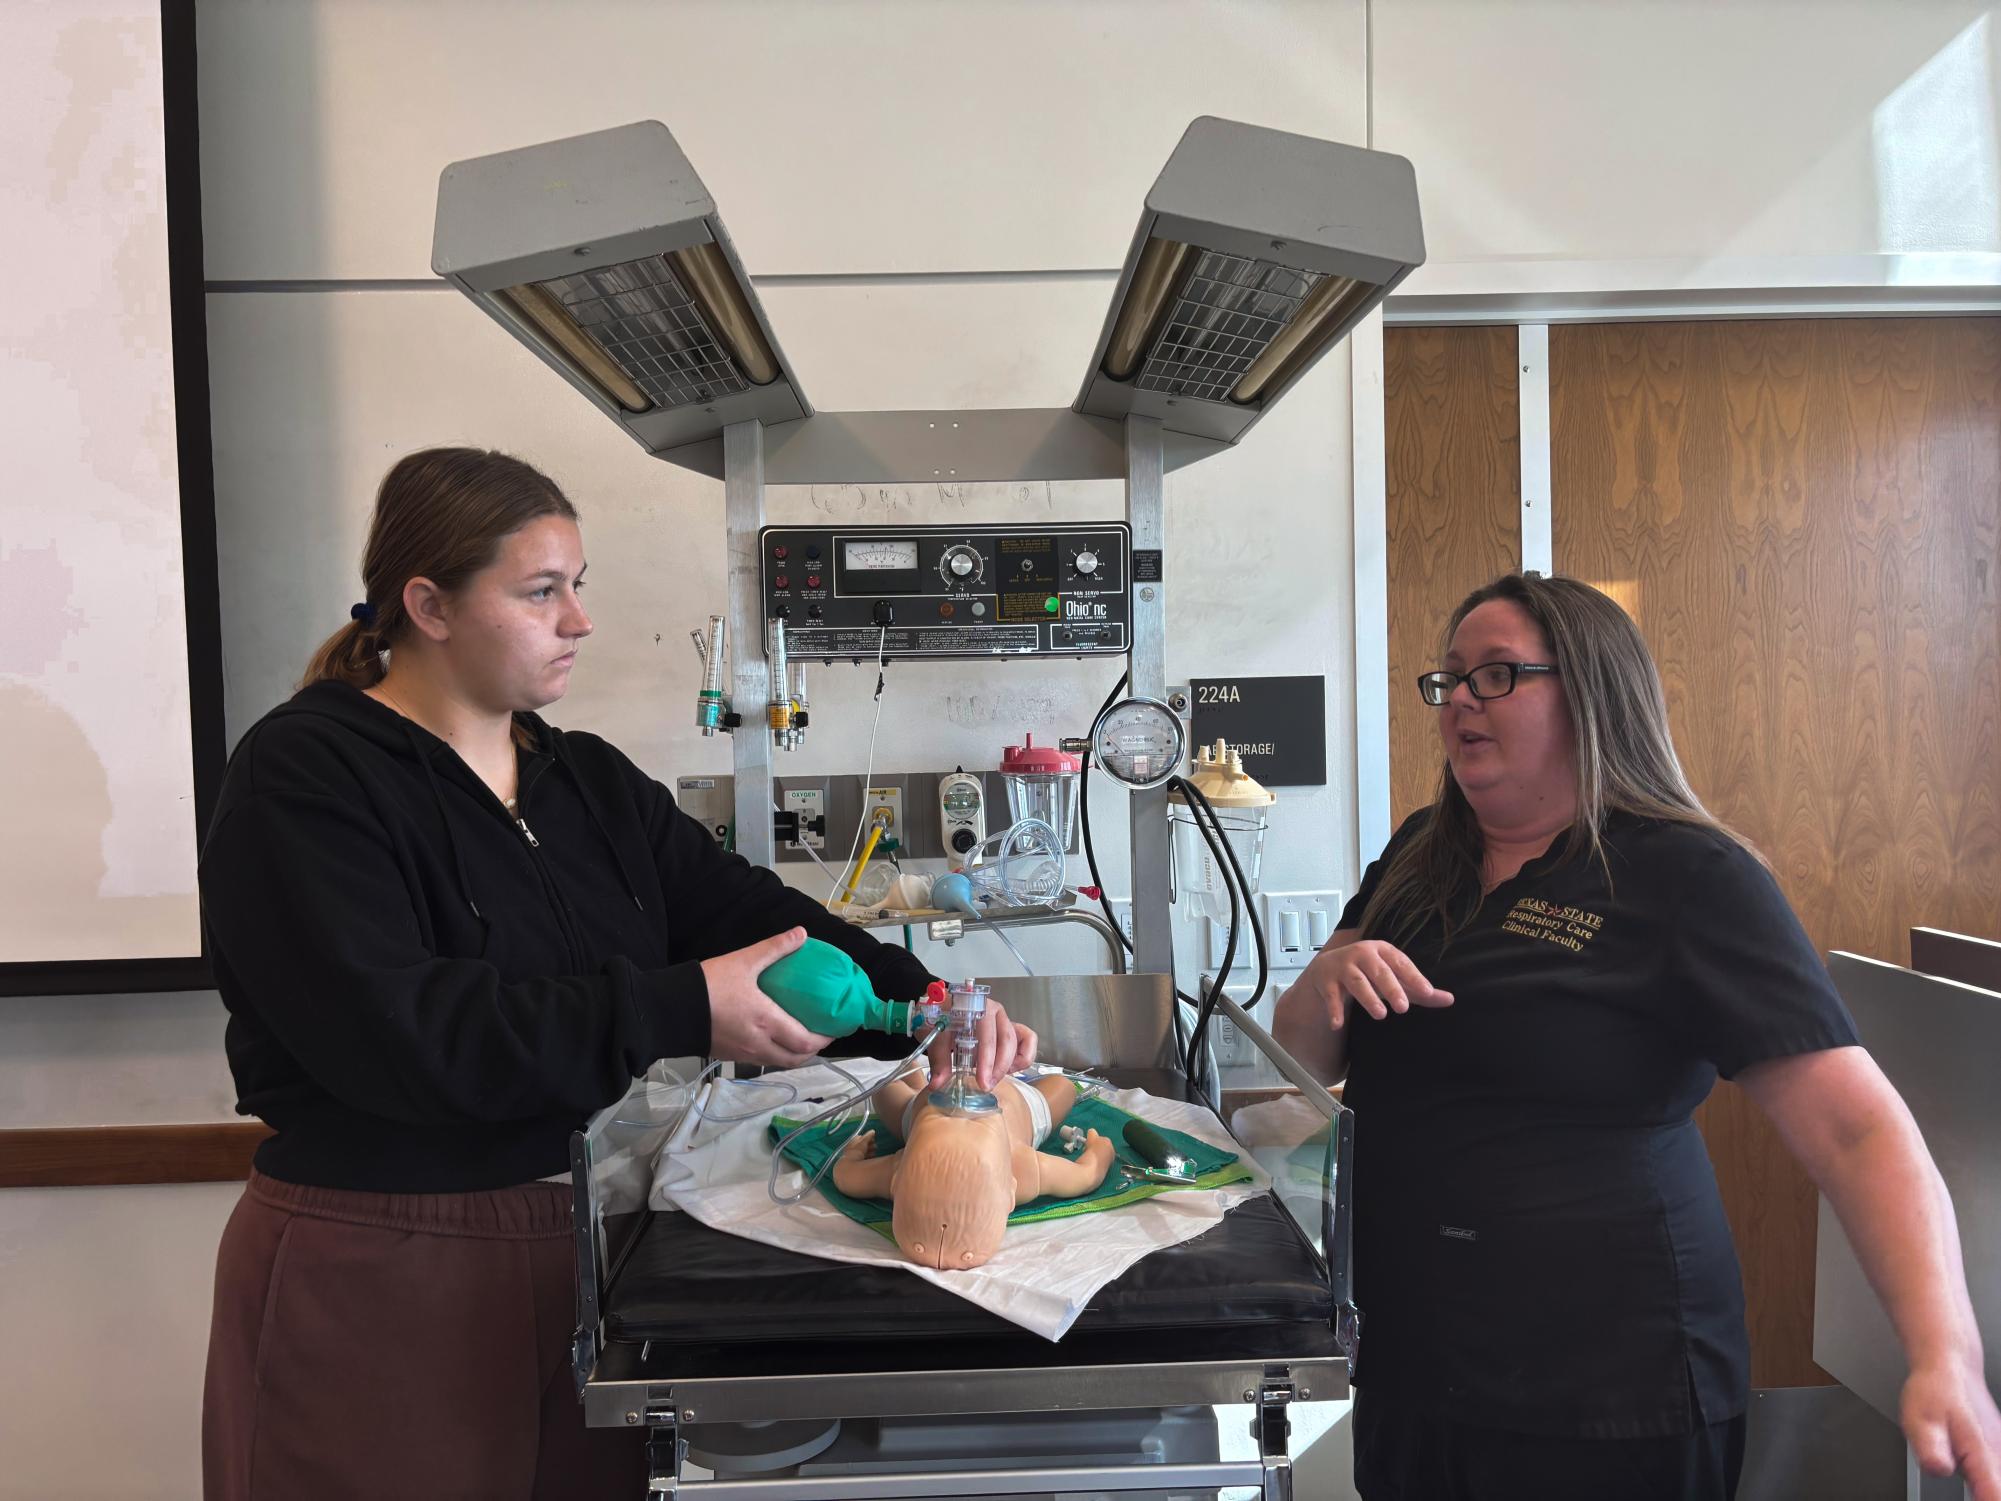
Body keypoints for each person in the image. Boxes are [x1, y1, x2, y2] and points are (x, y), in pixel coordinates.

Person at [198, 448, 1036, 1500]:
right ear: (429, 605)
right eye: (540, 590)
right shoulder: (306, 777)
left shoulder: (582, 779)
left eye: (577, 585)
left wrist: (929, 1009)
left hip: (592, 1250)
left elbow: (757, 916)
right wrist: (682, 1005)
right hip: (385, 1257)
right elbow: (407, 1032)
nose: (579, 619)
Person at [1273, 572, 2000, 1501]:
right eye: (1448, 677)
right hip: (1416, 1363)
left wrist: (1944, 1352)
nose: (1458, 698)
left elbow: (1856, 1131)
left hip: (1609, 1387)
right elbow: (1304, 1056)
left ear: (1589, 692)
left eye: (1495, 674)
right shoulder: (1421, 850)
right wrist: (1326, 977)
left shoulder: (1688, 874)